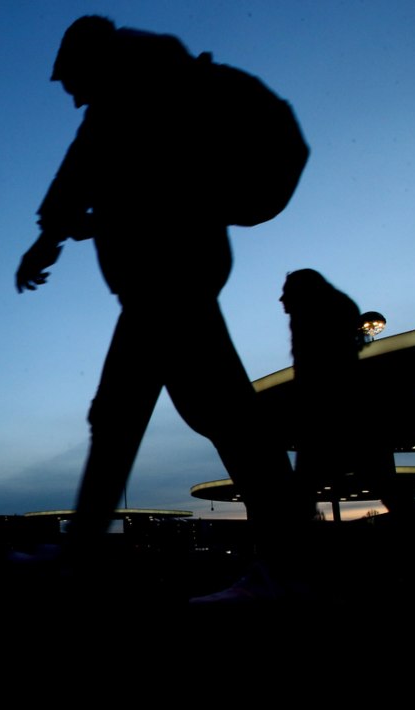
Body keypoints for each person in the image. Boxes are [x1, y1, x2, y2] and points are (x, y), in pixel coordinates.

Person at [15, 16, 314, 598]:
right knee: (213, 417)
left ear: (93, 62)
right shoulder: (134, 94)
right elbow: (116, 183)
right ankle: (288, 563)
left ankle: (287, 568)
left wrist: (56, 235)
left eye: (71, 80)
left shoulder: (136, 96)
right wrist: (69, 229)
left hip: (169, 277)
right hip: (171, 275)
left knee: (132, 416)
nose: (70, 95)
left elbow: (116, 180)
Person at [279, 269, 415, 517]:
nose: (282, 300)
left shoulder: (312, 317)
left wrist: (304, 404)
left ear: (302, 293)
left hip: (329, 409)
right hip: (348, 407)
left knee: (305, 486)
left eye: (286, 293)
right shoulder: (332, 308)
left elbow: (313, 368)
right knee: (379, 478)